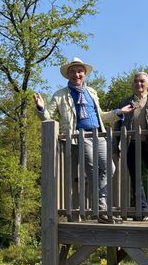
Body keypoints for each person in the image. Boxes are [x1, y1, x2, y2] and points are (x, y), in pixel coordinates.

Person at [34, 57, 129, 224]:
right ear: (67, 75)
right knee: (92, 170)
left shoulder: (92, 92)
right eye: (72, 71)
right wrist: (41, 108)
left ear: (84, 74)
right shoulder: (60, 95)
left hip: (98, 135)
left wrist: (118, 111)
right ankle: (101, 210)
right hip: (79, 136)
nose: (76, 74)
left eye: (79, 71)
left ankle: (100, 208)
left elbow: (101, 116)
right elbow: (48, 117)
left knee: (110, 168)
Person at [116, 72, 148, 221]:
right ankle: (141, 209)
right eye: (136, 81)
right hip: (131, 144)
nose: (139, 84)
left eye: (142, 81)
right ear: (133, 84)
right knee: (136, 178)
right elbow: (117, 125)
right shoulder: (125, 103)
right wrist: (115, 148)